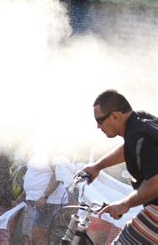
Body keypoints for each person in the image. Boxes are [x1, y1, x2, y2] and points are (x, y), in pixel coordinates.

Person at [80, 89, 158, 244]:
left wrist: (124, 204)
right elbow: (129, 149)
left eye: (100, 120)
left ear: (115, 116)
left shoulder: (138, 137)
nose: (97, 126)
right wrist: (98, 166)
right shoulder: (141, 121)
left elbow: (155, 182)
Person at [14, 152, 68, 245]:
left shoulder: (53, 152)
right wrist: (22, 196)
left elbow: (57, 176)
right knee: (32, 235)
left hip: (48, 201)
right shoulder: (37, 151)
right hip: (34, 200)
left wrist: (45, 196)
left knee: (38, 235)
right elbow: (33, 175)